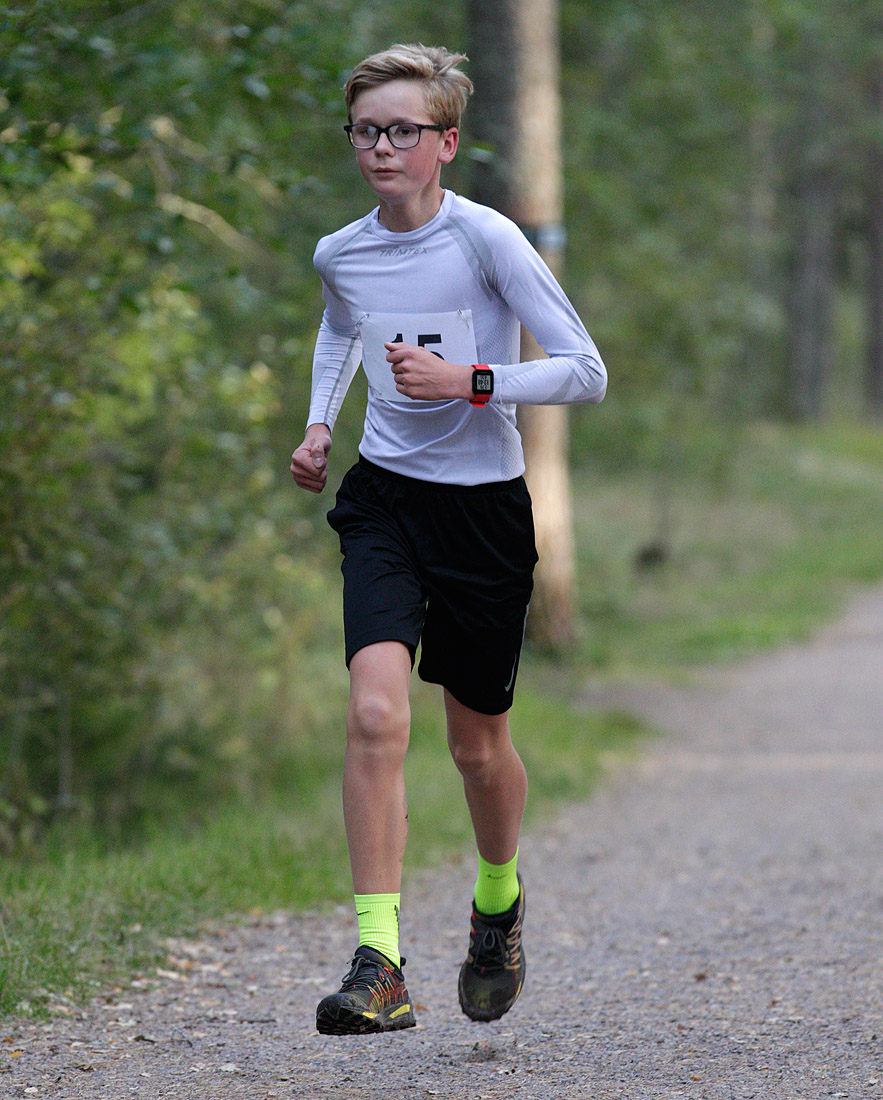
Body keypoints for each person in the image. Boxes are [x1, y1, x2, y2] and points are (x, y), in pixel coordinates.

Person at [290, 43, 607, 1036]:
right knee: (374, 712)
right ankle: (378, 961)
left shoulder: (486, 241)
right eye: (365, 131)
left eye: (402, 131)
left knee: (476, 747)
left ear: (446, 142)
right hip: (384, 500)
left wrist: (472, 383)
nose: (381, 148)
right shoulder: (341, 251)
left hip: (482, 511)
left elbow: (584, 370)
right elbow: (341, 327)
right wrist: (318, 423)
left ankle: (497, 904)